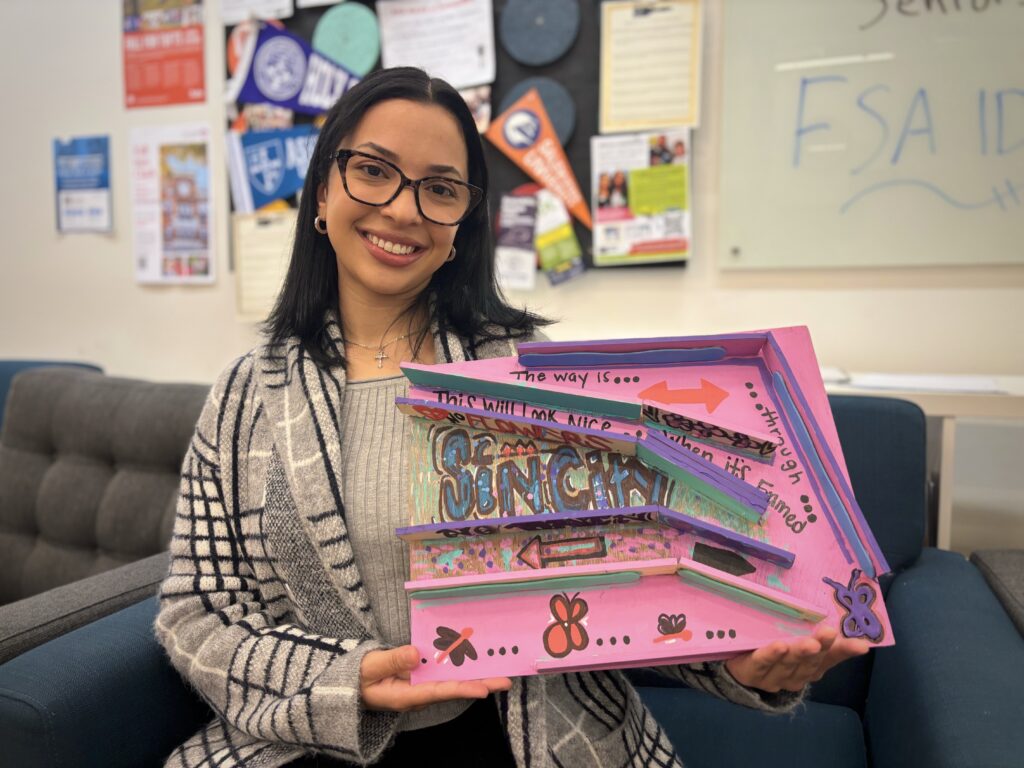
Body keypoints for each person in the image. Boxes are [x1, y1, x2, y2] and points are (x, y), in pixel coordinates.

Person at [156, 67, 869, 768]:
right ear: (322, 189)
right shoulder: (245, 396)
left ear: (463, 222)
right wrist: (343, 679)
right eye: (373, 171)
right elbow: (195, 611)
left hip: (528, 734)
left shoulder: (527, 372)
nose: (403, 210)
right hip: (322, 744)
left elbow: (640, 563)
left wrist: (738, 659)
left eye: (439, 189)